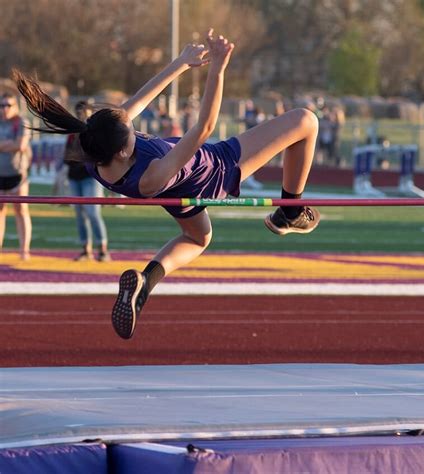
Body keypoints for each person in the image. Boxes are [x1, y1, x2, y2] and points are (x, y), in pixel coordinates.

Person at [14, 29, 319, 339]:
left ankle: (145, 282)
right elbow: (203, 128)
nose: (133, 128)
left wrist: (181, 63)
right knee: (305, 121)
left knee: (198, 238)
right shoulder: (151, 177)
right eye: (131, 133)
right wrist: (217, 70)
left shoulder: (96, 151)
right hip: (216, 170)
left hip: (179, 189)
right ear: (121, 150)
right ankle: (290, 211)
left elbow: (139, 101)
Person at [64, 100, 111, 262]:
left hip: (91, 177)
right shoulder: (72, 134)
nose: (81, 116)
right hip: (74, 176)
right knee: (79, 214)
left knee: (93, 213)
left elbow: (101, 156)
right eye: (78, 113)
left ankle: (103, 249)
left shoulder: (96, 133)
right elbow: (67, 156)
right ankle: (86, 249)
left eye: (84, 113)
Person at [0, 93, 32, 260]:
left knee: (21, 210)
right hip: (0, 174)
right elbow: (14, 144)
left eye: (8, 105)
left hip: (17, 174)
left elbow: (20, 145)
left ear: (15, 107)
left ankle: (24, 250)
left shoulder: (21, 123)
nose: (5, 109)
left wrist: (3, 145)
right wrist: (8, 145)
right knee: (0, 212)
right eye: (2, 105)